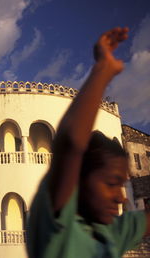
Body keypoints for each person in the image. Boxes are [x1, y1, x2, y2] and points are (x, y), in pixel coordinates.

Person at [27, 27, 150, 258]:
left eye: (121, 184)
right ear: (77, 182)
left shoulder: (111, 232)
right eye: (111, 183)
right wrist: (102, 70)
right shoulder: (58, 233)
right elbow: (70, 144)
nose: (122, 197)